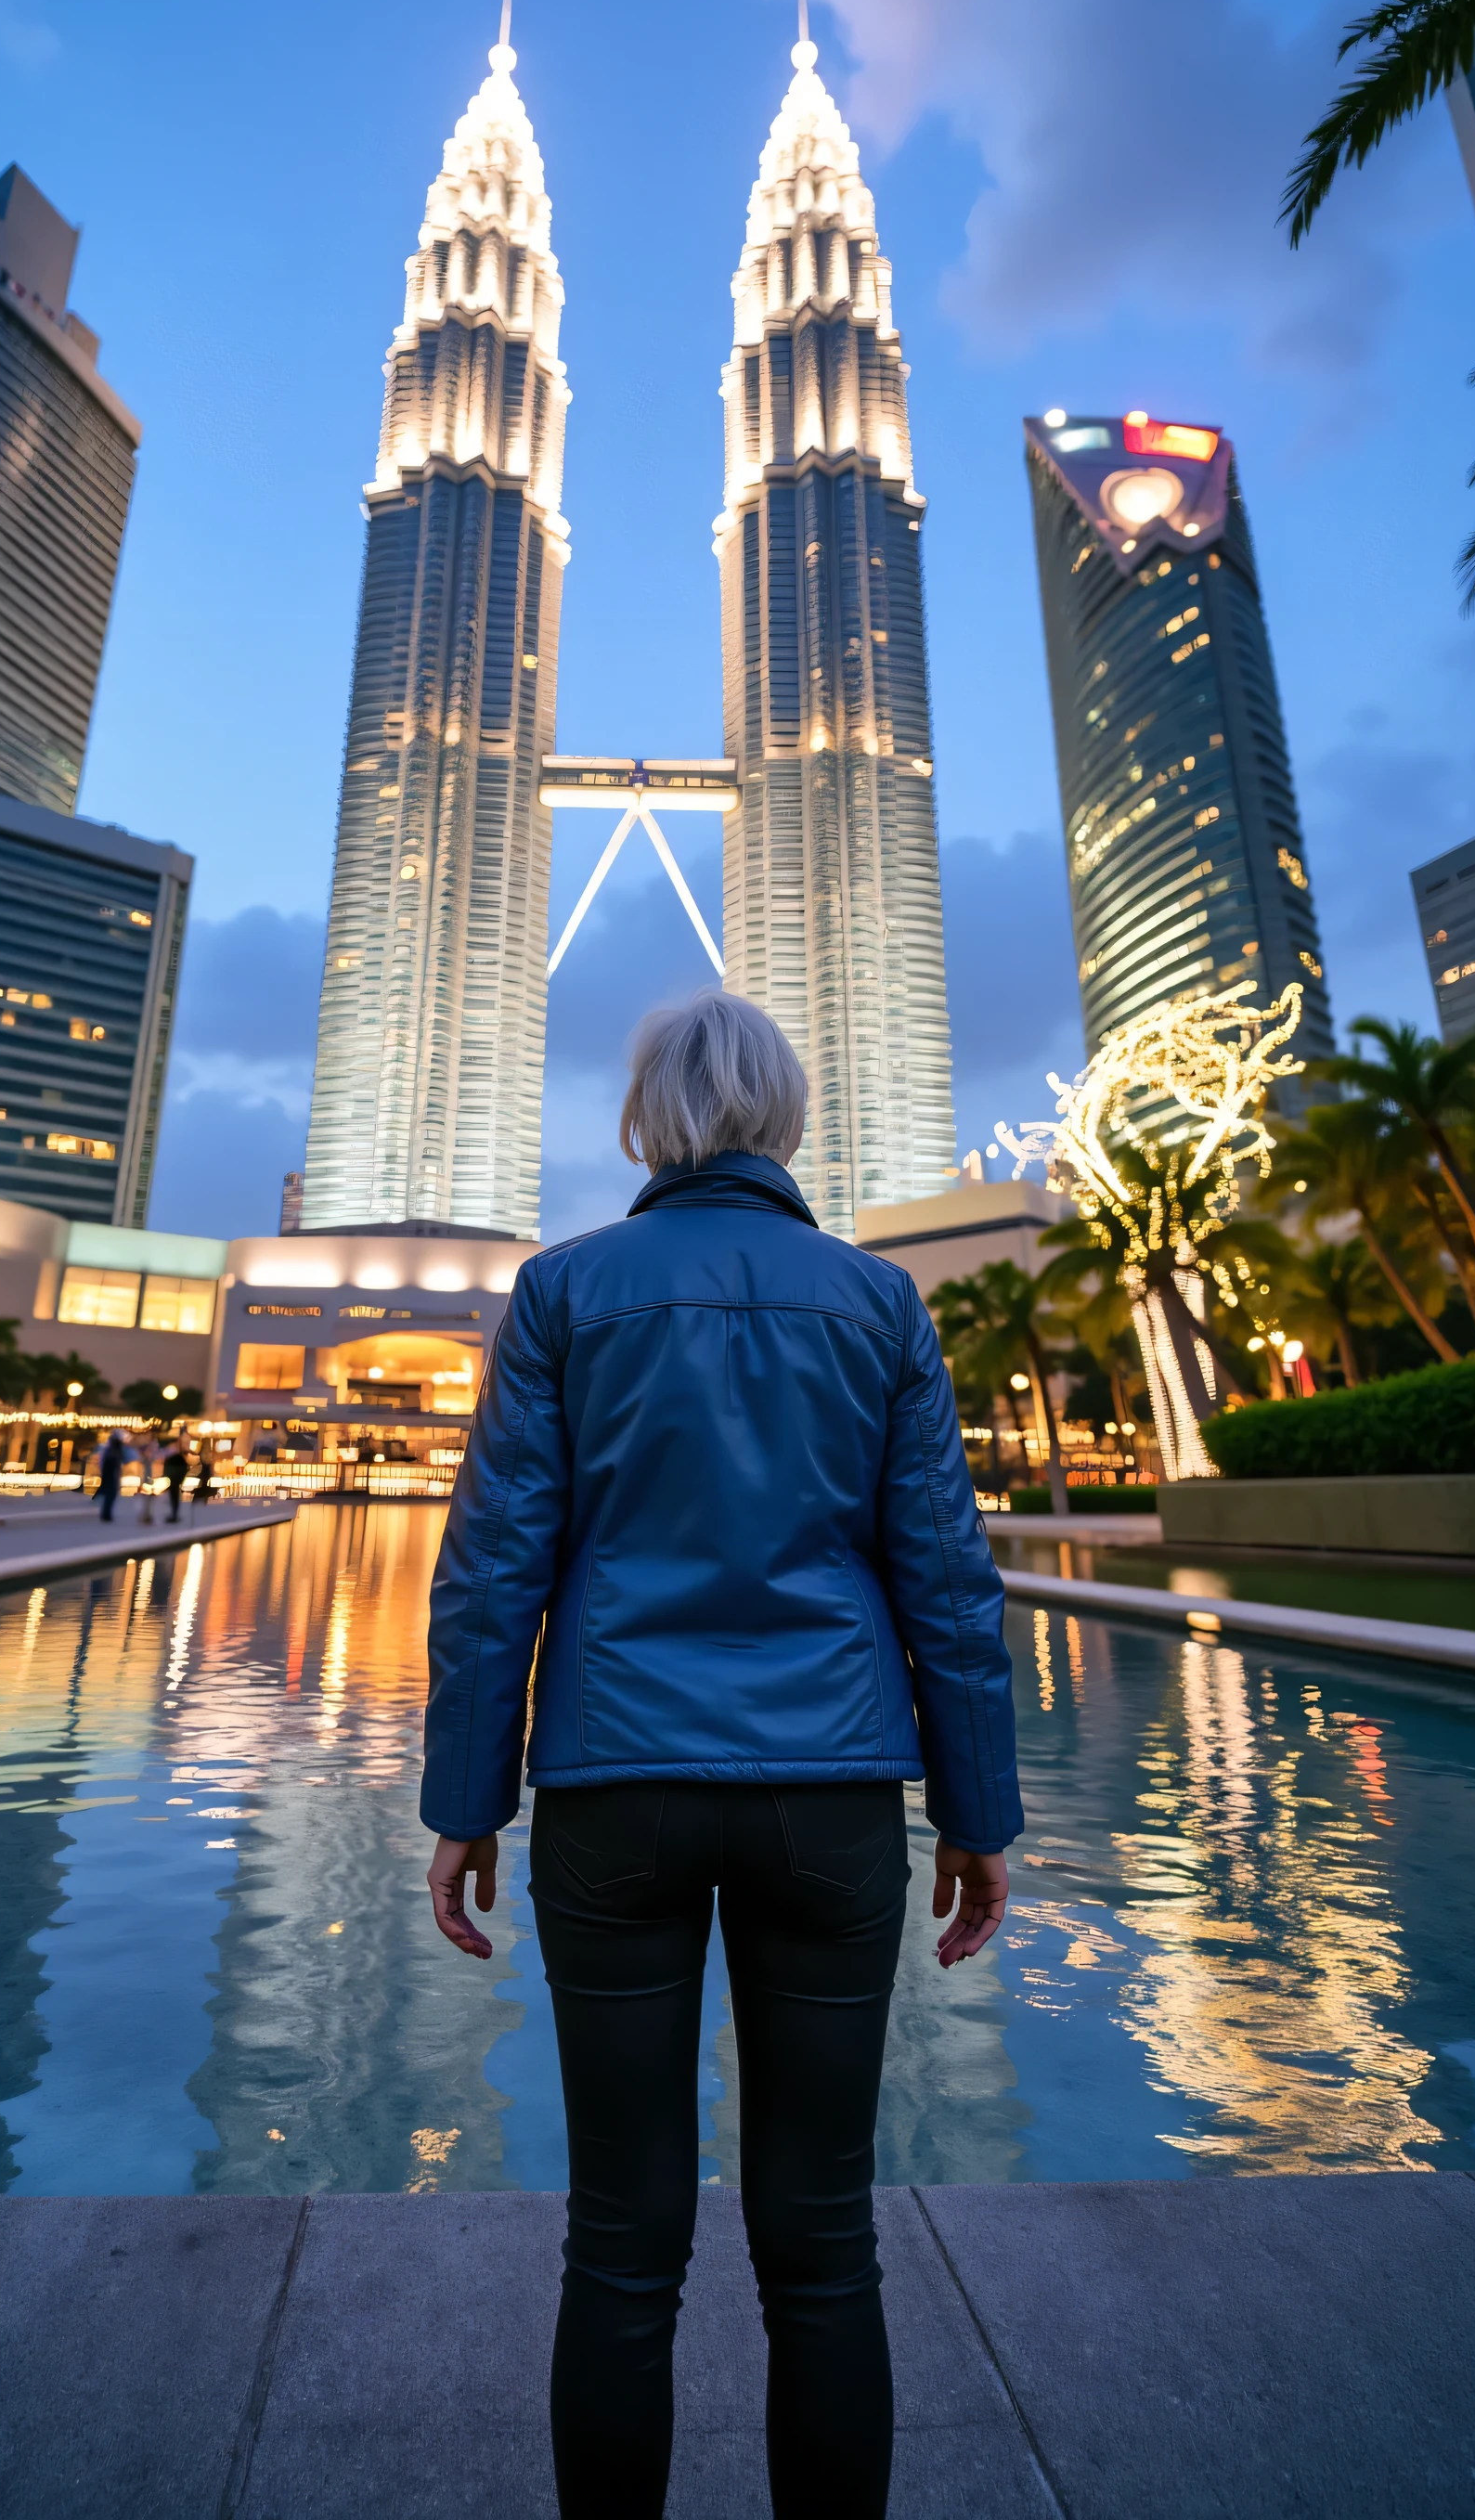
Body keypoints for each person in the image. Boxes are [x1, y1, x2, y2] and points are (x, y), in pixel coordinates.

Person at [421, 992, 1021, 2520]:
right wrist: (975, 1808)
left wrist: (466, 1801)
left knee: (619, 2237)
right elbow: (943, 1577)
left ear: (647, 1122)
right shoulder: (875, 1304)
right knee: (823, 2238)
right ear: (785, 1116)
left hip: (613, 1787)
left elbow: (496, 1568)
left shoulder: (563, 1291)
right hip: (826, 1795)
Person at [96, 1428, 125, 1523]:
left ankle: (106, 1514)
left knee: (110, 1495)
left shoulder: (109, 1449)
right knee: (111, 1495)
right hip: (112, 1474)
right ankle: (106, 1514)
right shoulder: (115, 1450)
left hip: (109, 1474)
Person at [162, 1436, 189, 1521]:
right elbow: (185, 1469)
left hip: (174, 1480)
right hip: (176, 1480)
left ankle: (174, 1514)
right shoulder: (179, 1459)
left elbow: (167, 1469)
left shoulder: (171, 1459)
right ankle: (174, 1514)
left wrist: (168, 1476)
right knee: (175, 1497)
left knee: (173, 1497)